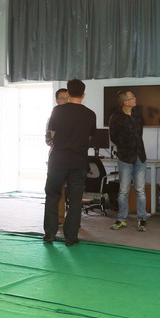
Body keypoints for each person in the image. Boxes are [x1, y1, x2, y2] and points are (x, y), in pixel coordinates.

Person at [43, 79, 96, 246]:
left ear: (68, 93)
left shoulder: (57, 110)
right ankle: (71, 237)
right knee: (75, 200)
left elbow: (52, 135)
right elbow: (89, 138)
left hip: (58, 160)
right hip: (79, 161)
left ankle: (50, 234)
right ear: (83, 95)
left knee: (52, 196)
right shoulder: (90, 114)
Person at [108, 89, 148, 232]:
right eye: (132, 97)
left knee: (140, 190)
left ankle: (142, 218)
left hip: (140, 156)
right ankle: (121, 219)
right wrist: (125, 145)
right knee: (123, 190)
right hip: (125, 157)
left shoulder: (137, 113)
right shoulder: (116, 117)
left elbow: (139, 133)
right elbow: (113, 137)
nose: (135, 99)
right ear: (125, 102)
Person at [45, 88, 70, 224]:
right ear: (57, 100)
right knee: (57, 190)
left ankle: (72, 221)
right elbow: (48, 140)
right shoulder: (52, 118)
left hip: (73, 159)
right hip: (57, 158)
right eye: (62, 98)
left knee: (73, 191)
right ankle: (59, 218)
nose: (65, 101)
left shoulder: (75, 117)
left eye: (67, 98)